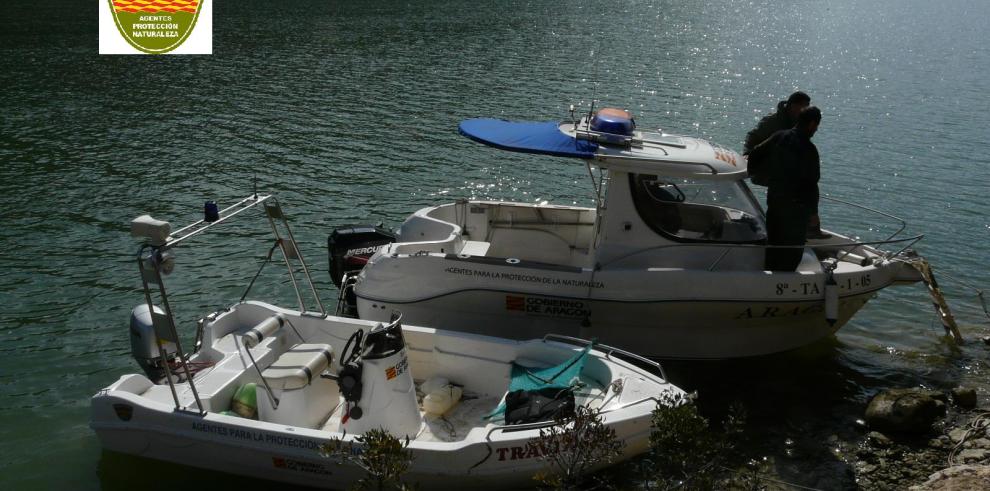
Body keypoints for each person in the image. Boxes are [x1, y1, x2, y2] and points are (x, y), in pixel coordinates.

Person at [748, 106, 822, 271]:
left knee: (773, 246)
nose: (816, 130)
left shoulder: (778, 136)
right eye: (816, 126)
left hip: (775, 203)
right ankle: (783, 285)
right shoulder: (809, 150)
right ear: (811, 124)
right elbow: (811, 185)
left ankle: (768, 281)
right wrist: (814, 213)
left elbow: (754, 155)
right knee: (792, 254)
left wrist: (761, 178)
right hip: (796, 212)